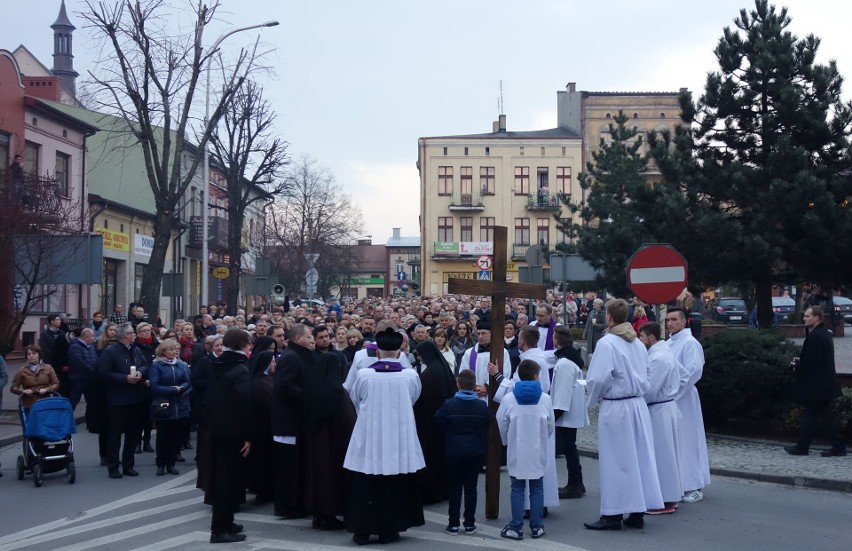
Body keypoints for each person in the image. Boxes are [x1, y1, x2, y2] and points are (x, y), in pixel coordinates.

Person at [584, 299, 663, 531]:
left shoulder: (607, 343)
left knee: (616, 461)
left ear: (608, 316)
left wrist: (594, 398)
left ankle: (613, 514)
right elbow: (647, 372)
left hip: (617, 407)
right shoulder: (637, 343)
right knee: (637, 459)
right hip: (637, 405)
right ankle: (637, 511)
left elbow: (598, 378)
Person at [344, 327, 426, 545]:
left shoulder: (363, 375)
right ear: (399, 353)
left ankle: (362, 531)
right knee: (394, 484)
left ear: (377, 353)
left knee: (366, 483)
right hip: (398, 438)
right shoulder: (410, 376)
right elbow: (413, 399)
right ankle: (389, 530)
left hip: (369, 437)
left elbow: (355, 399)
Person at [495, 359, 554, 541]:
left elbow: (501, 421)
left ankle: (516, 527)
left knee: (517, 488)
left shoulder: (509, 398)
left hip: (517, 449)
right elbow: (550, 424)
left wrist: (506, 441)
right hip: (537, 449)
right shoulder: (545, 398)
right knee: (537, 488)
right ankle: (537, 527)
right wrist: (544, 438)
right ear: (536, 376)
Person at [203, 328, 252, 544]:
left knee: (226, 478)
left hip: (218, 427)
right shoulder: (239, 369)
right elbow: (244, 405)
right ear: (244, 344)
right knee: (228, 481)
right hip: (233, 432)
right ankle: (220, 529)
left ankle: (227, 521)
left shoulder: (220, 363)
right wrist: (248, 435)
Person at [300, 351, 355, 531]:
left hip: (317, 442)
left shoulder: (312, 388)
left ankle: (320, 514)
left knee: (319, 478)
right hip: (335, 446)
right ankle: (328, 515)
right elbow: (348, 421)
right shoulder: (338, 392)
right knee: (331, 480)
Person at [433, 368, 490, 535]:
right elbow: (487, 422)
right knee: (471, 487)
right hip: (474, 450)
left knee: (455, 487)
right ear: (474, 386)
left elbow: (438, 422)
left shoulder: (449, 405)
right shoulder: (481, 406)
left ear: (458, 385)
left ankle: (453, 523)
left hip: (454, 450)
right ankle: (470, 523)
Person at [785, 306, 846, 457]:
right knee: (821, 416)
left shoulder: (816, 336)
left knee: (811, 415)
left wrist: (796, 366)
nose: (804, 318)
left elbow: (811, 361)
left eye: (807, 316)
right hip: (824, 384)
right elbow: (816, 358)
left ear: (817, 318)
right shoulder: (824, 334)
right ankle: (836, 445)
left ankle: (803, 446)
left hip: (817, 385)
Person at [666, 307, 711, 503]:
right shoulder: (668, 343)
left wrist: (674, 393)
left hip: (683, 398)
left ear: (684, 322)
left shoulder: (690, 343)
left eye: (674, 319)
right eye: (668, 320)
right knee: (676, 442)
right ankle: (677, 482)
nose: (670, 323)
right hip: (669, 398)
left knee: (689, 440)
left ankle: (694, 485)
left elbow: (693, 372)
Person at [638, 322, 684, 514]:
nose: (640, 340)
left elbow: (650, 388)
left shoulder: (659, 358)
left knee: (662, 456)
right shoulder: (662, 353)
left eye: (641, 337)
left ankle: (665, 500)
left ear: (651, 338)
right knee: (666, 455)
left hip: (659, 409)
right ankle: (669, 496)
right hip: (665, 407)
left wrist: (636, 400)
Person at [96, 322, 150, 479]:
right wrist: (124, 378)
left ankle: (128, 465)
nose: (135, 335)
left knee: (133, 434)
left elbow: (145, 365)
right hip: (117, 399)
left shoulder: (135, 350)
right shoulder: (110, 352)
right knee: (115, 434)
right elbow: (103, 373)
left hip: (136, 397)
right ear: (126, 335)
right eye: (132, 333)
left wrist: (140, 373)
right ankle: (113, 466)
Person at [272, 324, 314, 518]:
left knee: (294, 466)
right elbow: (284, 385)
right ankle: (286, 506)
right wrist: (306, 397)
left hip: (295, 420)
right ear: (299, 339)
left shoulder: (298, 355)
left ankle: (295, 503)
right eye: (309, 336)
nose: (312, 338)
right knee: (287, 467)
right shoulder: (291, 357)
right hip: (288, 422)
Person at [412, 340, 457, 504]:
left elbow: (421, 400)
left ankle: (432, 492)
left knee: (431, 458)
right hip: (443, 422)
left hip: (429, 422)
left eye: (420, 355)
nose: (419, 358)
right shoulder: (442, 368)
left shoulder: (429, 374)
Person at [550, 326, 588, 499]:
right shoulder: (569, 359)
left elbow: (563, 392)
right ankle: (577, 482)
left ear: (556, 340)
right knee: (569, 447)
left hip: (566, 412)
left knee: (569, 448)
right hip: (569, 411)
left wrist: (554, 414)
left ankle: (574, 484)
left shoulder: (565, 363)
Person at [148, 339, 192, 476]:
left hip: (180, 404)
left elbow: (189, 382)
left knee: (176, 437)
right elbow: (154, 386)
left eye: (176, 349)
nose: (174, 352)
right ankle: (161, 464)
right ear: (163, 351)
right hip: (164, 405)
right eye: (171, 349)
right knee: (162, 436)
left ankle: (171, 463)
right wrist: (173, 390)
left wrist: (183, 389)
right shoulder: (157, 366)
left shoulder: (182, 365)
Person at [459, 320, 511, 403]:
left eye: (483, 333)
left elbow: (506, 374)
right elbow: (463, 373)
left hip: (493, 396)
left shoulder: (502, 352)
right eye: (478, 333)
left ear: (491, 334)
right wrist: (474, 386)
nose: (480, 337)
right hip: (474, 395)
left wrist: (488, 387)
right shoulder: (469, 353)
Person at [134, 322, 160, 454]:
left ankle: (147, 441)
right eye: (143, 331)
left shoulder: (156, 346)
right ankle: (137, 442)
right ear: (138, 333)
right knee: (138, 416)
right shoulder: (135, 347)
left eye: (148, 330)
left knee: (150, 416)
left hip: (153, 384)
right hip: (139, 384)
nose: (147, 332)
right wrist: (143, 379)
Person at [10, 345, 60, 410]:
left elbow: (56, 384)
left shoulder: (48, 368)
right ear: (26, 357)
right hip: (29, 404)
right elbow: (13, 388)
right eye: (28, 354)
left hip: (45, 402)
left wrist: (47, 389)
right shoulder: (22, 370)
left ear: (39, 355)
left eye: (34, 353)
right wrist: (23, 391)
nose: (31, 356)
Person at [67, 328, 98, 410]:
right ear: (87, 337)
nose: (94, 338)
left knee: (92, 402)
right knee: (73, 401)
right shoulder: (75, 347)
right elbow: (79, 362)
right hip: (78, 379)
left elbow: (95, 359)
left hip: (90, 379)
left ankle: (91, 422)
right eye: (92, 336)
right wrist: (92, 370)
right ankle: (66, 420)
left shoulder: (91, 347)